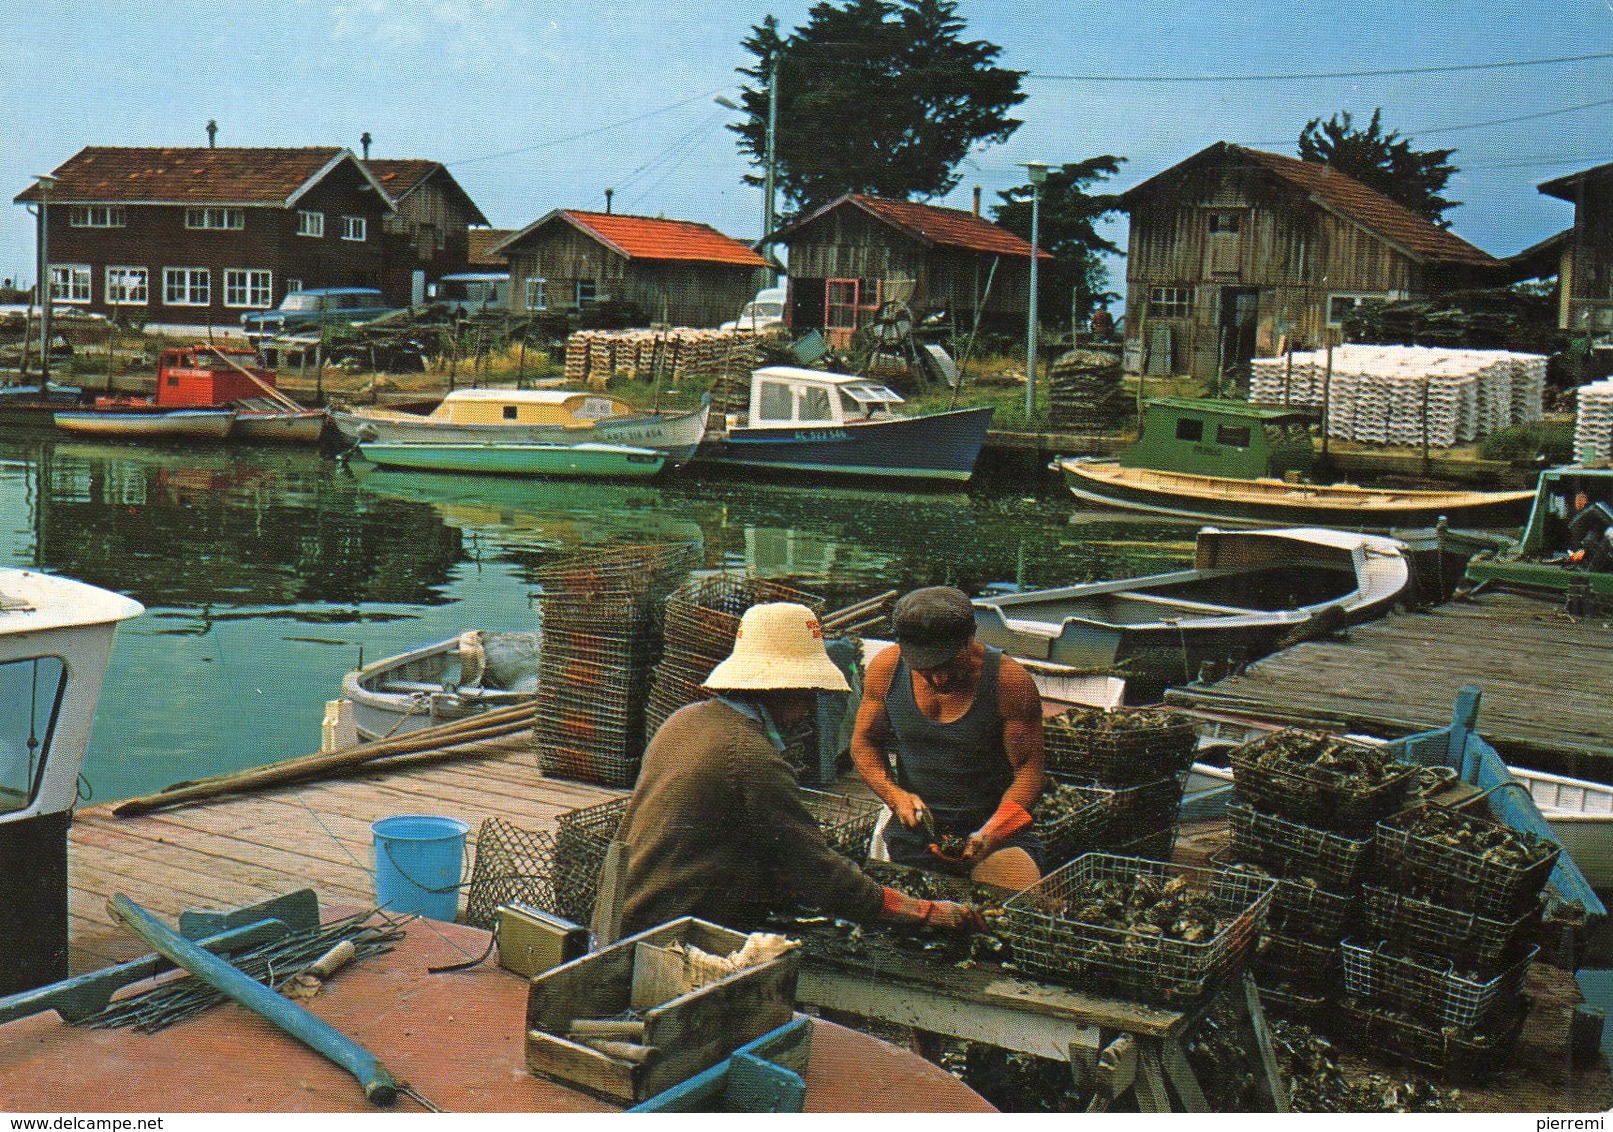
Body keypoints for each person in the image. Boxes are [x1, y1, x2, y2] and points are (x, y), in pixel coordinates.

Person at [614, 602, 981, 940]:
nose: (810, 706)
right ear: (780, 687)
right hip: (671, 934)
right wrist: (923, 911)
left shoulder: (685, 719)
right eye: (808, 692)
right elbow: (814, 873)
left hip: (622, 912)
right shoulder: (752, 758)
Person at [851, 586, 1045, 890]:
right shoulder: (886, 669)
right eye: (925, 668)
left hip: (994, 832)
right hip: (915, 830)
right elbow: (865, 743)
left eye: (948, 664)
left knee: (1015, 915)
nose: (939, 679)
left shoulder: (1010, 682)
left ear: (971, 636)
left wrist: (993, 831)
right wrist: (894, 796)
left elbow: (1029, 772)